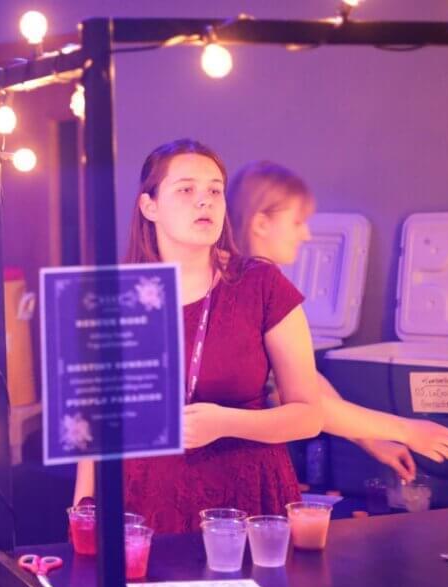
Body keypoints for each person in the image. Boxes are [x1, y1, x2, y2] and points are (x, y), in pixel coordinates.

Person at [74, 139, 324, 533]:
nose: (204, 201)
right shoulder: (113, 295)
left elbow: (310, 415)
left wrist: (225, 422)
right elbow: (97, 425)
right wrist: (84, 512)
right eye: (186, 189)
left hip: (243, 500)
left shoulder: (261, 284)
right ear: (149, 206)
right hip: (141, 503)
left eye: (214, 191)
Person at [226, 161, 448, 481]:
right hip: (232, 466)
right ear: (260, 223)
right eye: (297, 221)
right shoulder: (249, 291)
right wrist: (409, 430)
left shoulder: (250, 281)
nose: (306, 233)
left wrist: (373, 441)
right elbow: (299, 400)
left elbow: (305, 380)